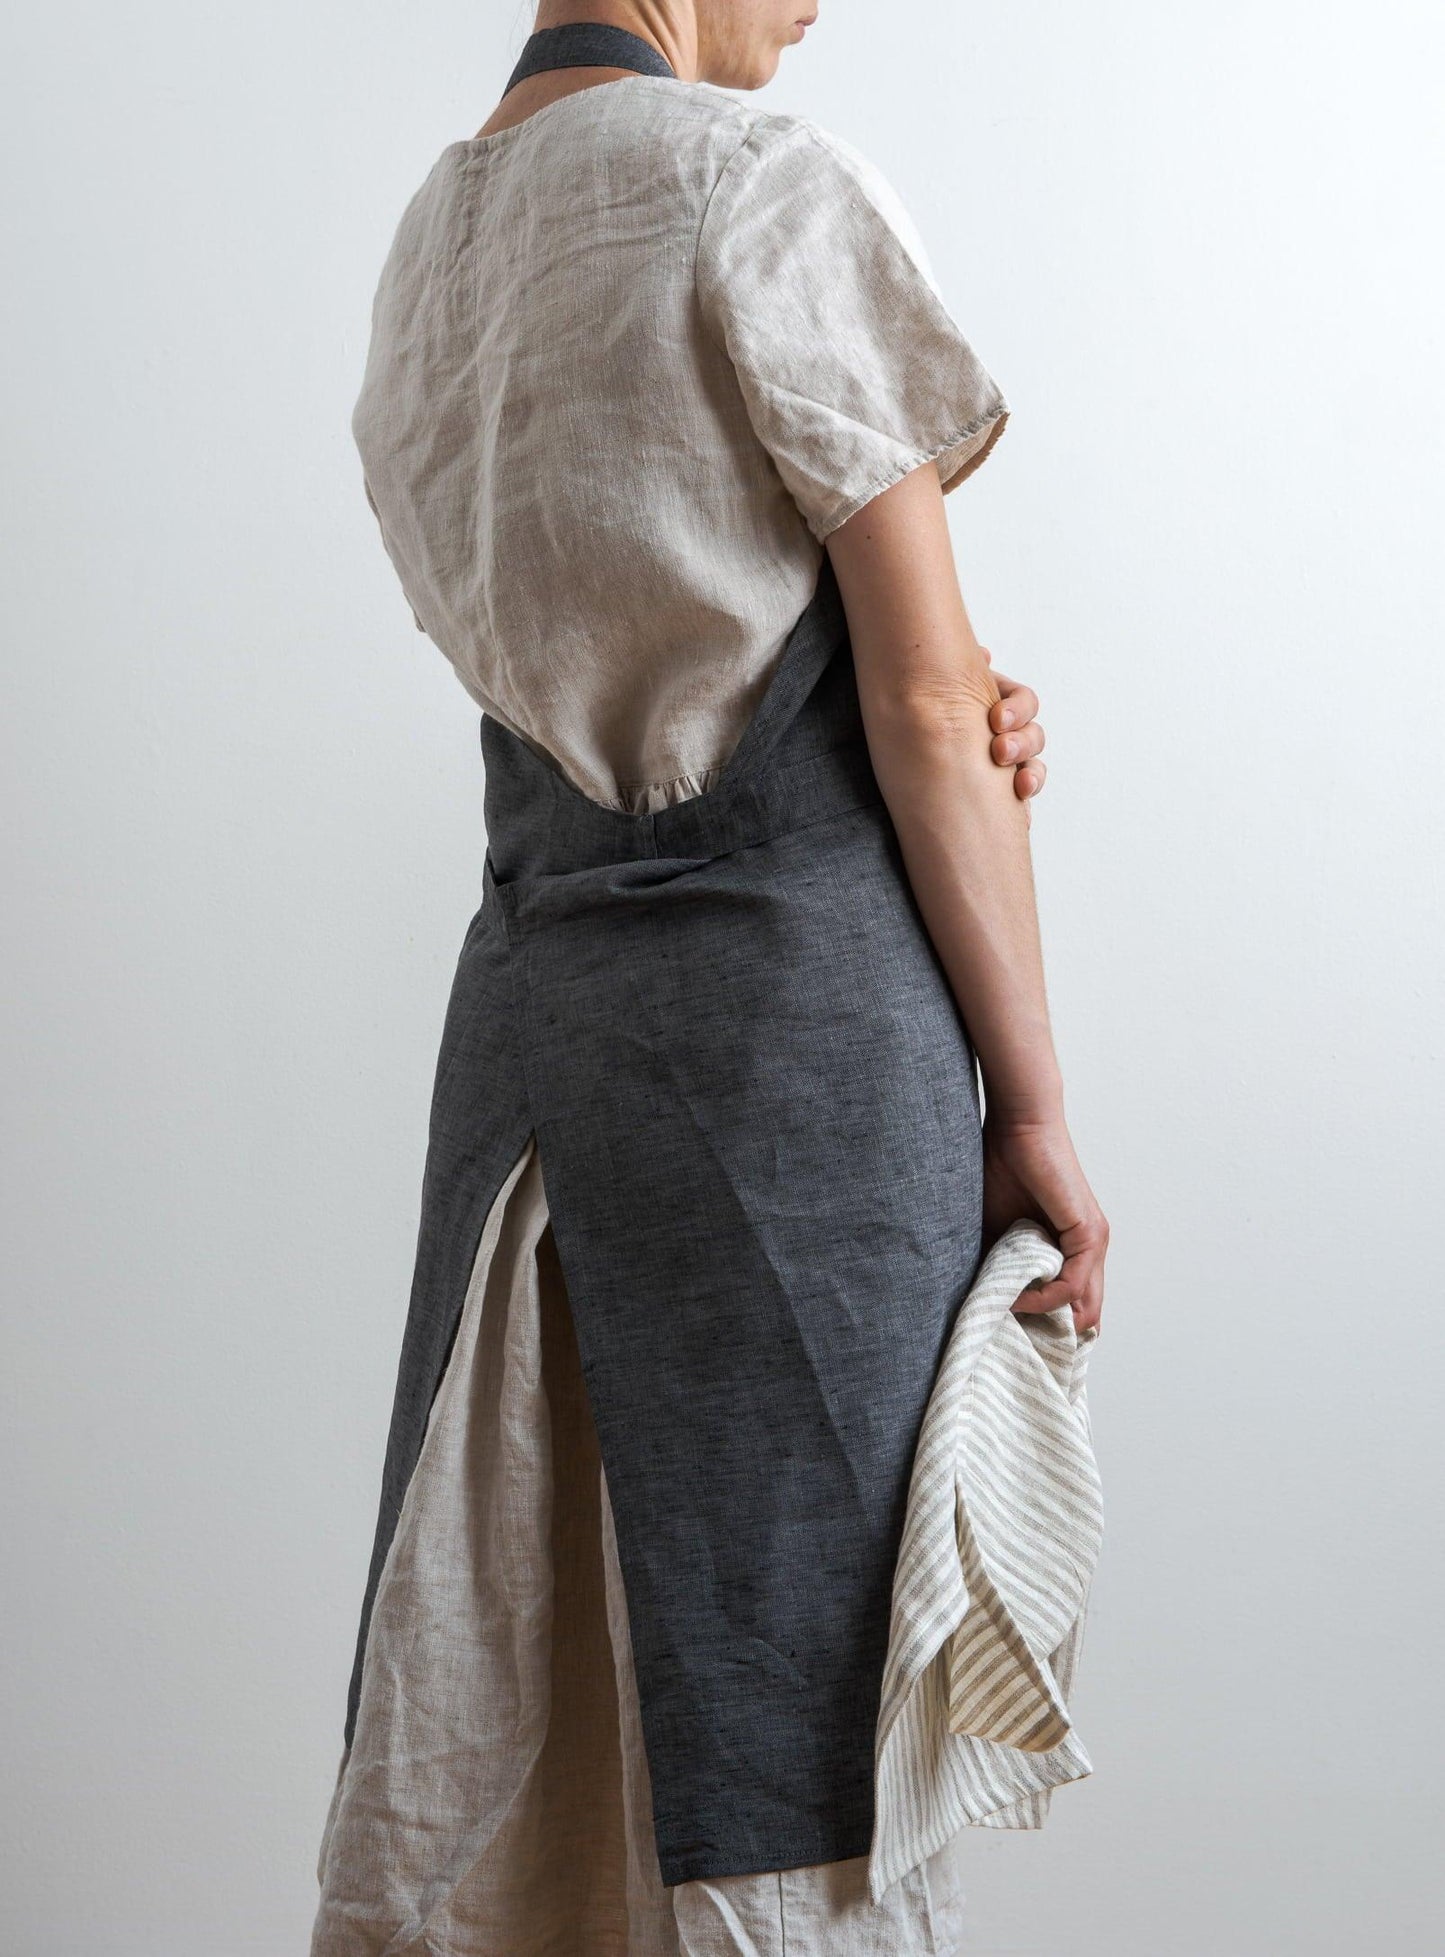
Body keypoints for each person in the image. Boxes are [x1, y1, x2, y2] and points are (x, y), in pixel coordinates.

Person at [311, 5, 1108, 1952]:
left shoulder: (434, 241)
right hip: (788, 1045)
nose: (822, 2)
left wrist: (933, 692)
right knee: (805, 1734)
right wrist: (1040, 1110)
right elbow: (919, 694)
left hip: (532, 1049)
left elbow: (640, 625)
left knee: (530, 1669)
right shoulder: (758, 183)